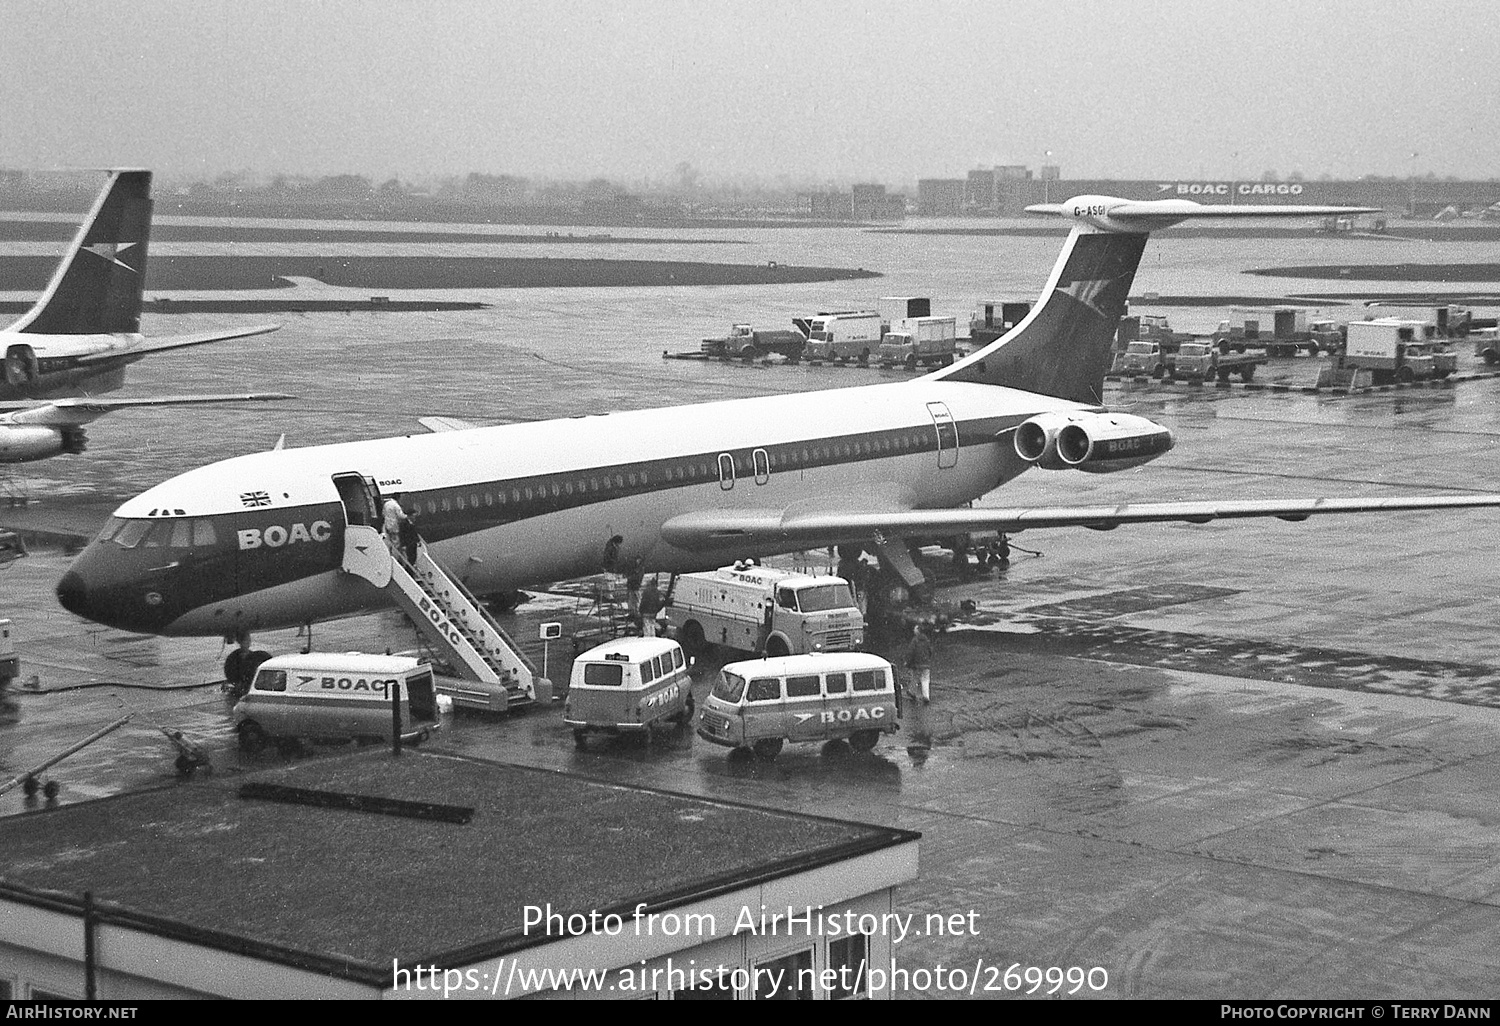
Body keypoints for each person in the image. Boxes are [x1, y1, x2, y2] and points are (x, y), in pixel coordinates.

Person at [903, 622, 933, 704]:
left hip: (916, 664)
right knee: (925, 680)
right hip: (926, 664)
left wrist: (907, 662)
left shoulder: (915, 640)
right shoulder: (927, 640)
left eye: (915, 629)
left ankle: (912, 692)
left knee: (915, 678)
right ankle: (926, 696)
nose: (914, 630)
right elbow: (930, 651)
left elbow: (911, 652)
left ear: (918, 631)